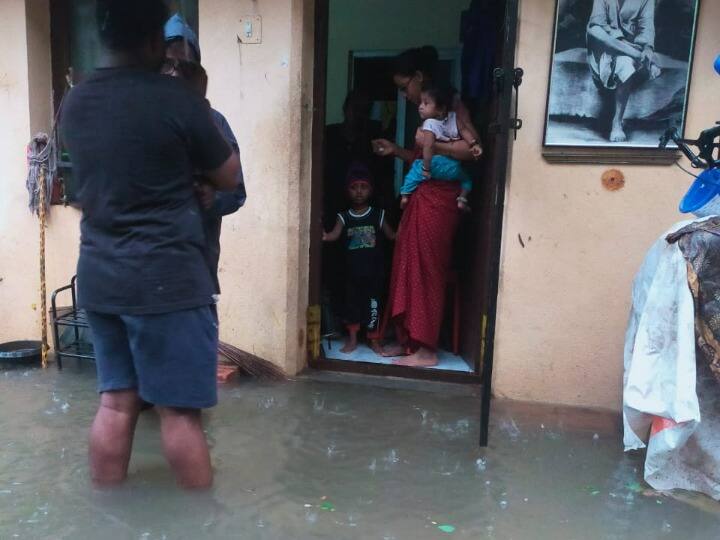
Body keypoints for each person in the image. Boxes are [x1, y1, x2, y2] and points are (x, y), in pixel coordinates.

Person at [59, 0, 240, 489]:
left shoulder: (74, 101)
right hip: (168, 279)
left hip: (100, 275)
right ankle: (204, 523)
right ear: (153, 41)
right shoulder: (174, 98)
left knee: (115, 403)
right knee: (179, 414)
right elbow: (229, 174)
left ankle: (107, 514)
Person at [372, 46, 481, 367]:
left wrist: (434, 144)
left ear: (419, 78)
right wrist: (396, 151)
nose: (405, 96)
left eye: (405, 87)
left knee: (428, 271)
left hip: (441, 201)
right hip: (421, 196)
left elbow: (472, 150)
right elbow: (421, 159)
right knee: (408, 266)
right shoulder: (427, 115)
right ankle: (408, 341)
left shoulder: (452, 106)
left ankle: (427, 349)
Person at [160, 57, 247, 297]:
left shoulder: (213, 122)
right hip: (150, 273)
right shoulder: (145, 124)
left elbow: (236, 191)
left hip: (197, 265)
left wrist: (211, 197)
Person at [322, 164, 396, 354]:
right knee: (352, 305)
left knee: (373, 306)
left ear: (370, 190)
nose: (359, 192)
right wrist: (320, 232)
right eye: (354, 187)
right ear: (348, 191)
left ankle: (373, 340)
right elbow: (333, 236)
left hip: (374, 272)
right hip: (352, 272)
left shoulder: (378, 215)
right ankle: (353, 339)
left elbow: (392, 236)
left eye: (363, 187)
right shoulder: (344, 216)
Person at [587, 0, 661, 143]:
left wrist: (647, 48)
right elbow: (597, 28)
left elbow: (646, 29)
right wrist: (638, 54)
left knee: (626, 63)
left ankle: (617, 122)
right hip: (603, 46)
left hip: (631, 47)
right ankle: (638, 56)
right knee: (597, 33)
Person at [401, 82, 478, 212]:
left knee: (414, 170)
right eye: (420, 103)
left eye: (425, 103)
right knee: (467, 180)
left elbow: (429, 146)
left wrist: (426, 168)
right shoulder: (454, 118)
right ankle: (462, 199)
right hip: (454, 168)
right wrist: (474, 144)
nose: (420, 107)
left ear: (441, 109)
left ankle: (404, 194)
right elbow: (465, 131)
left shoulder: (429, 124)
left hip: (436, 167)